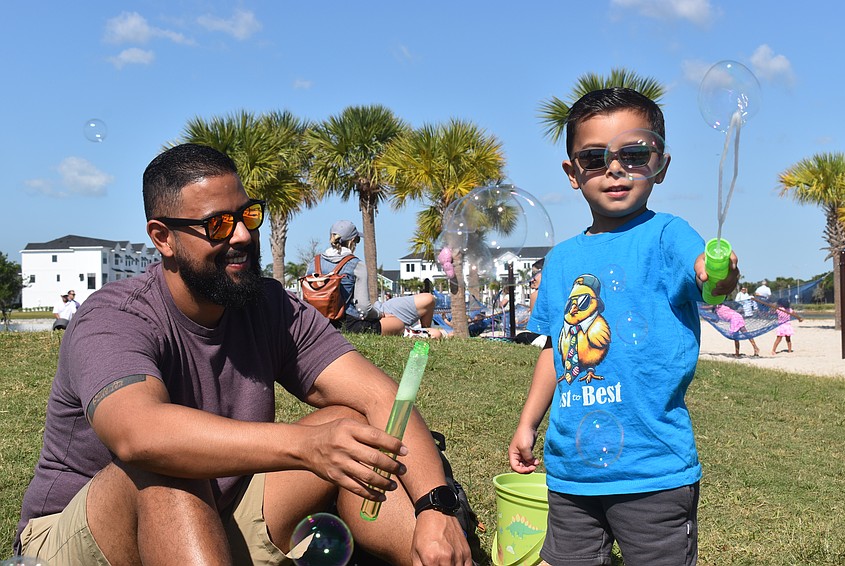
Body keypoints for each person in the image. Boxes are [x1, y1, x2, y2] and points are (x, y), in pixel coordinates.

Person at [16, 144, 472, 566]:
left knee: (356, 426)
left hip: (215, 513)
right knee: (166, 464)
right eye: (217, 224)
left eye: (247, 216)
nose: (241, 236)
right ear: (162, 237)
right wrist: (306, 446)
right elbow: (138, 434)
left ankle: (436, 557)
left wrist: (435, 505)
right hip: (76, 538)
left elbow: (379, 396)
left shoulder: (267, 304)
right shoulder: (114, 316)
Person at [508, 88, 740, 566]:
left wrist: (716, 271)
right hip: (570, 469)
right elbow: (555, 349)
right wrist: (529, 422)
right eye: (594, 158)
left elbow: (709, 280)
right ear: (573, 174)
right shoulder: (563, 259)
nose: (614, 169)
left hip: (652, 469)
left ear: (660, 164)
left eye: (634, 155)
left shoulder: (668, 234)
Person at [315, 220, 443, 338]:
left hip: (321, 325)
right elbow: (363, 308)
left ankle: (419, 332)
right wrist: (381, 315)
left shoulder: (314, 262)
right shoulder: (355, 264)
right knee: (397, 323)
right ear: (353, 240)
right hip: (351, 325)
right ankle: (419, 333)